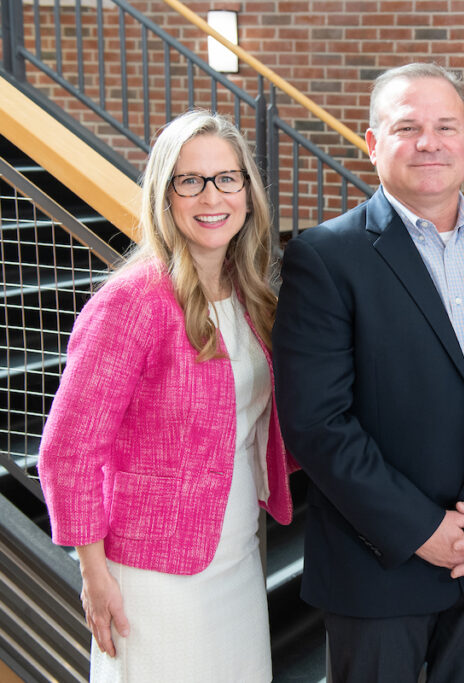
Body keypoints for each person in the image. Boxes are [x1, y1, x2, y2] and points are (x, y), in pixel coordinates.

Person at [271, 63, 464, 682]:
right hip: (377, 568)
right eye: (407, 126)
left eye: (445, 126)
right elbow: (316, 423)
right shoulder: (325, 257)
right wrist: (422, 530)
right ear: (373, 143)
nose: (429, 142)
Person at [37, 109, 296, 681]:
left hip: (235, 551)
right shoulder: (131, 304)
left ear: (248, 195)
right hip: (150, 573)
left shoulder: (251, 296)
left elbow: (251, 420)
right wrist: (94, 571)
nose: (212, 196)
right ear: (165, 194)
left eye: (227, 178)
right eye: (190, 180)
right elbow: (67, 451)